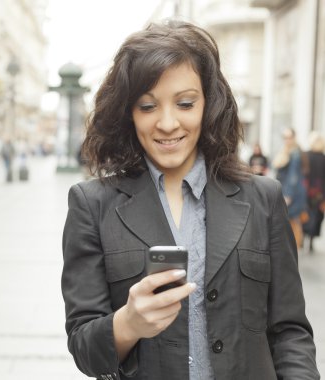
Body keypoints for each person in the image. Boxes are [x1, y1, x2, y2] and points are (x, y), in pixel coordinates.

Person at [61, 20, 319, 380]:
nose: (168, 123)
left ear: (208, 105)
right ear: (128, 113)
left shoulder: (263, 197)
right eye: (148, 107)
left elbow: (290, 333)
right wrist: (128, 323)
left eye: (185, 103)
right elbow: (85, 349)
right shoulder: (92, 204)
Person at [272, 127, 308, 248]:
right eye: (284, 137)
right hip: (287, 190)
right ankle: (293, 246)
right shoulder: (285, 151)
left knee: (292, 220)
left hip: (292, 192)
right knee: (291, 219)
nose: (287, 140)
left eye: (289, 137)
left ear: (293, 138)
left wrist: (288, 194)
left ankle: (295, 247)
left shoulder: (294, 153)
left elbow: (293, 176)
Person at [303, 131, 325, 252]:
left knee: (312, 215)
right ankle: (309, 239)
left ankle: (308, 238)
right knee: (314, 215)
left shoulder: (307, 155)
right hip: (317, 191)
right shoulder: (319, 157)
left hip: (311, 190)